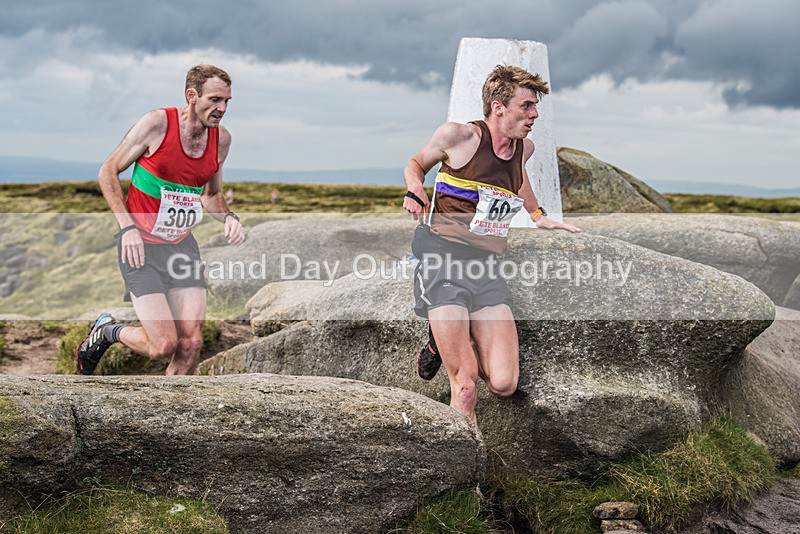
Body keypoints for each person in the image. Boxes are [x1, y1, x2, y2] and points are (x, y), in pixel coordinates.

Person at [402, 65, 580, 424]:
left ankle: (444, 337)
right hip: (443, 261)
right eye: (527, 106)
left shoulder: (522, 149)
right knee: (465, 388)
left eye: (535, 107)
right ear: (498, 107)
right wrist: (415, 188)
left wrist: (537, 213)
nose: (535, 115)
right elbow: (416, 163)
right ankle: (464, 474)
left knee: (503, 382)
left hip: (485, 268)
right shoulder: (459, 137)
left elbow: (519, 179)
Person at [76, 64, 245, 376]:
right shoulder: (157, 124)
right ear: (191, 96)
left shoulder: (221, 140)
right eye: (215, 100)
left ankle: (176, 416)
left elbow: (211, 195)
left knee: (191, 343)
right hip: (140, 246)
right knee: (163, 345)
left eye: (227, 102)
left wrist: (229, 218)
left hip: (181, 247)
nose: (222, 109)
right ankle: (107, 331)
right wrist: (127, 227)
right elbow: (108, 171)